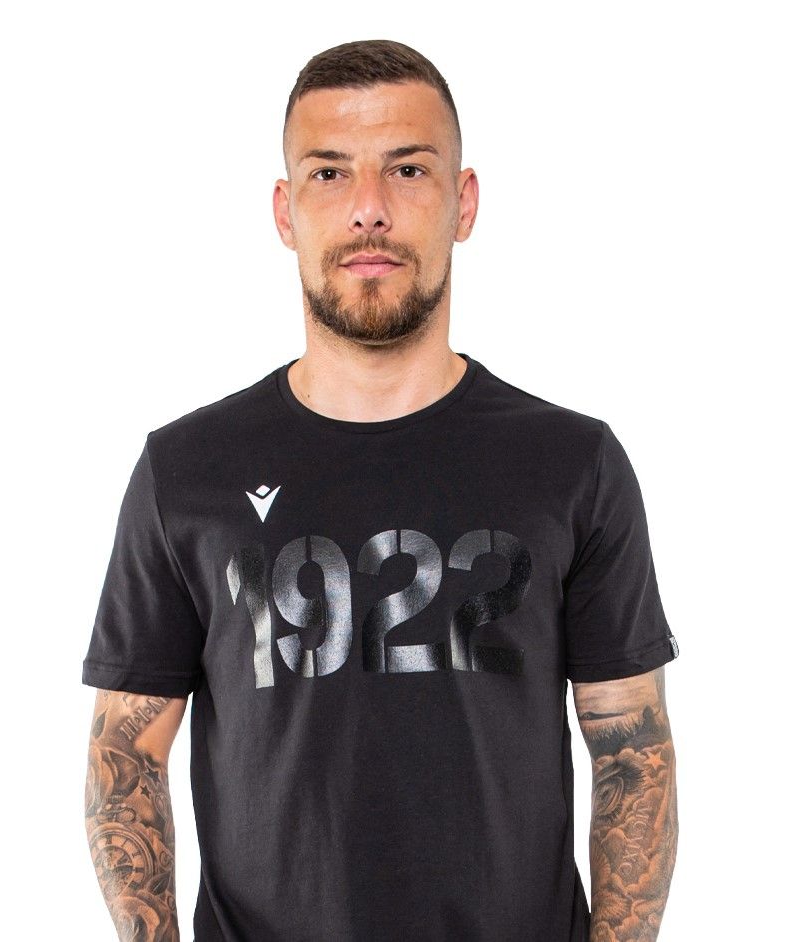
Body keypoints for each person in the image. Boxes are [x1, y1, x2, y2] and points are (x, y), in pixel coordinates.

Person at [82, 38, 680, 942]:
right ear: (285, 212)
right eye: (329, 173)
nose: (369, 208)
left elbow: (631, 751)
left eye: (407, 169)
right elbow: (124, 753)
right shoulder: (186, 470)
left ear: (462, 202)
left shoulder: (572, 462)